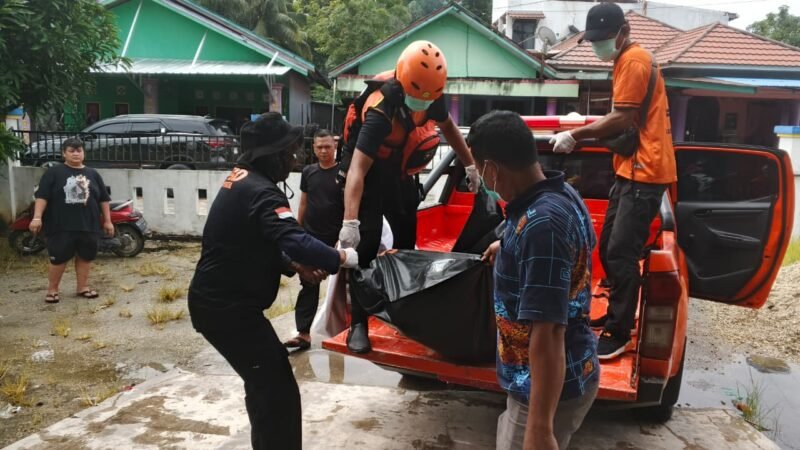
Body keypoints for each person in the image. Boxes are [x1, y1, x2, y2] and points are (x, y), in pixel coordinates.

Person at [188, 113, 359, 450]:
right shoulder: (261, 191)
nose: (295, 159)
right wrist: (340, 257)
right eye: (290, 152)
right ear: (272, 154)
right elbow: (294, 237)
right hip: (227, 309)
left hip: (222, 304)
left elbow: (254, 240)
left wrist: (294, 265)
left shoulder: (243, 180)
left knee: (265, 384)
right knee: (275, 389)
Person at [548, 2, 676, 360]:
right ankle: (617, 317)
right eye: (594, 40)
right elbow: (622, 116)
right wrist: (586, 126)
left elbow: (621, 119)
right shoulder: (625, 61)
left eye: (604, 38)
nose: (598, 45)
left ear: (623, 33)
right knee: (608, 248)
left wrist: (576, 134)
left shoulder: (634, 61)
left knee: (621, 252)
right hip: (630, 169)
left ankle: (619, 330)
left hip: (645, 171)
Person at [339, 40, 481, 353]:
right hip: (372, 177)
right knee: (365, 245)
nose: (424, 103)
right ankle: (359, 322)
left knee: (406, 242)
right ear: (403, 84)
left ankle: (403, 310)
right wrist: (351, 220)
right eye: (418, 97)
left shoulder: (432, 96)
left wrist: (470, 165)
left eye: (429, 98)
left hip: (401, 176)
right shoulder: (380, 112)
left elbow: (451, 129)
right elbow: (357, 171)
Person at [475, 111, 599, 450]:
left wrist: (540, 427)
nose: (483, 180)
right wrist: (511, 246)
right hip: (543, 380)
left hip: (544, 391)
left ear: (492, 168)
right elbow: (577, 248)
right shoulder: (559, 195)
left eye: (479, 170)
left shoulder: (541, 225)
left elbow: (550, 331)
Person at [30, 137, 114, 303]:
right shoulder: (54, 173)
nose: (76, 153)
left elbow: (104, 199)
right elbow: (42, 196)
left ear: (83, 153)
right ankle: (52, 290)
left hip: (88, 224)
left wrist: (108, 221)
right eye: (71, 150)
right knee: (59, 259)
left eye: (79, 150)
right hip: (61, 225)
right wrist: (37, 217)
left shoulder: (93, 174)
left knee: (86, 257)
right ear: (64, 153)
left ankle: (82, 287)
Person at [284, 129, 343, 351]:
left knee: (342, 288)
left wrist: (342, 239)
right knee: (308, 284)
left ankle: (343, 332)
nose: (323, 151)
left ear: (334, 147)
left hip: (336, 239)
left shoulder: (343, 173)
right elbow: (303, 203)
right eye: (319, 147)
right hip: (311, 237)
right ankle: (303, 333)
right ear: (313, 149)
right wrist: (298, 232)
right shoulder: (308, 172)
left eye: (327, 146)